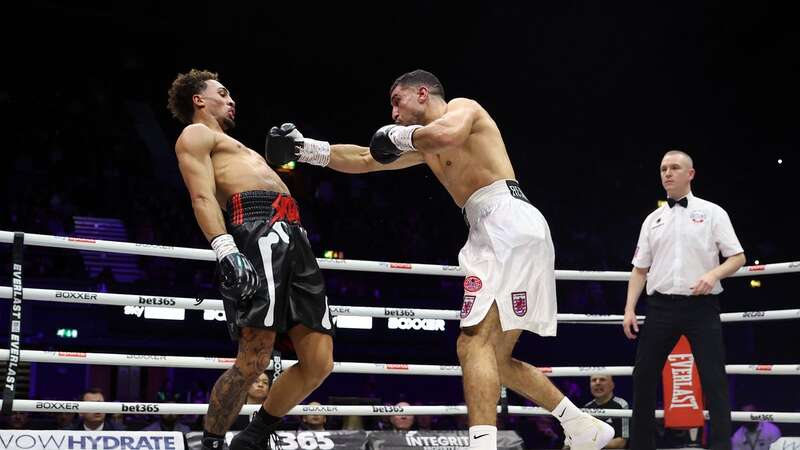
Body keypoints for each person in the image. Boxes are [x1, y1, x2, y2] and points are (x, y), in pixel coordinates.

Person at [265, 69, 613, 450]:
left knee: (472, 345)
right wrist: (306, 150)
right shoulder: (424, 145)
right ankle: (581, 425)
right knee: (493, 359)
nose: (393, 114)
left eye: (396, 102)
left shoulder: (464, 109)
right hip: (499, 228)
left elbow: (444, 134)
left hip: (505, 220)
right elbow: (366, 159)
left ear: (421, 93)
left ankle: (483, 446)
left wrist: (398, 135)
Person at [168, 69, 334, 450]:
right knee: (254, 358)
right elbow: (202, 197)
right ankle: (210, 442)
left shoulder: (236, 143)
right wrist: (224, 247)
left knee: (319, 360)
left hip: (294, 235)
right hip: (256, 231)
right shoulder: (196, 135)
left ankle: (254, 435)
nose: (231, 100)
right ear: (198, 99)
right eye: (222, 93)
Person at [622, 150, 746, 450]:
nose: (668, 173)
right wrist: (629, 309)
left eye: (675, 167)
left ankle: (719, 447)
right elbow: (640, 270)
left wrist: (713, 274)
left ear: (690, 174)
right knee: (644, 376)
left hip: (701, 306)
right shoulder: (653, 220)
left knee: (713, 379)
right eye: (664, 168)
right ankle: (641, 446)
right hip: (661, 307)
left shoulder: (713, 212)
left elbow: (738, 257)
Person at [564, 376, 628, 449]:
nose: (597, 383)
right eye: (594, 380)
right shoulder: (587, 407)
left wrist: (591, 443)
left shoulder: (621, 405)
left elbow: (622, 442)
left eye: (602, 379)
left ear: (612, 385)